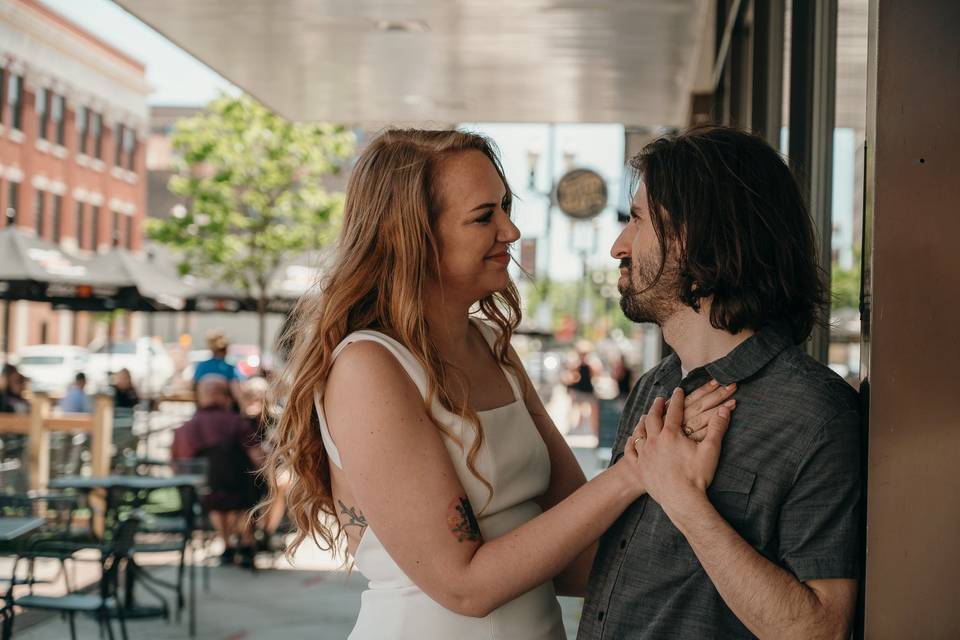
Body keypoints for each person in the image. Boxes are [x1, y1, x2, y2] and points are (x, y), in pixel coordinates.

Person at [258, 129, 737, 639]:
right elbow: (464, 586)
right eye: (484, 216)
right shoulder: (370, 367)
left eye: (505, 207)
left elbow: (583, 553)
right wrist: (634, 473)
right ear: (412, 236)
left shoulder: (491, 346)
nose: (511, 231)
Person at [577, 125, 862, 639]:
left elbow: (819, 630)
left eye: (637, 221)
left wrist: (683, 499)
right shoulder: (656, 385)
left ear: (698, 240)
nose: (620, 246)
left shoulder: (818, 416)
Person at [172, 374, 265, 568]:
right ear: (225, 397)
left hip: (206, 496)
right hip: (242, 492)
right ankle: (247, 541)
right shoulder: (237, 423)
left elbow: (177, 465)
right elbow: (259, 458)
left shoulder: (186, 429)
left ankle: (226, 545)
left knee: (214, 494)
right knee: (254, 484)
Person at [193, 330, 243, 406]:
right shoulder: (230, 368)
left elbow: (194, 387)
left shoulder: (202, 366)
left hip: (204, 408)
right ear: (226, 349)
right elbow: (237, 393)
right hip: (225, 410)